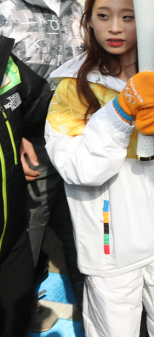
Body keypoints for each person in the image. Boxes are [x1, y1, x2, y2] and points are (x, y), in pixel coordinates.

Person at [44, 0, 154, 336]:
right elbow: (80, 169)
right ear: (89, 22)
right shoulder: (73, 87)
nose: (114, 27)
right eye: (103, 16)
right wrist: (120, 114)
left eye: (128, 16)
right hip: (112, 245)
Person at [0, 0, 85, 319]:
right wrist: (9, 141)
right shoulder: (2, 4)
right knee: (21, 248)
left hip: (73, 147)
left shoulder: (80, 6)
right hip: (22, 153)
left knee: (85, 244)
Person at [0, 36, 53, 337]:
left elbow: (39, 99)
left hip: (13, 235)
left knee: (15, 321)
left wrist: (17, 131)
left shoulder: (7, 60)